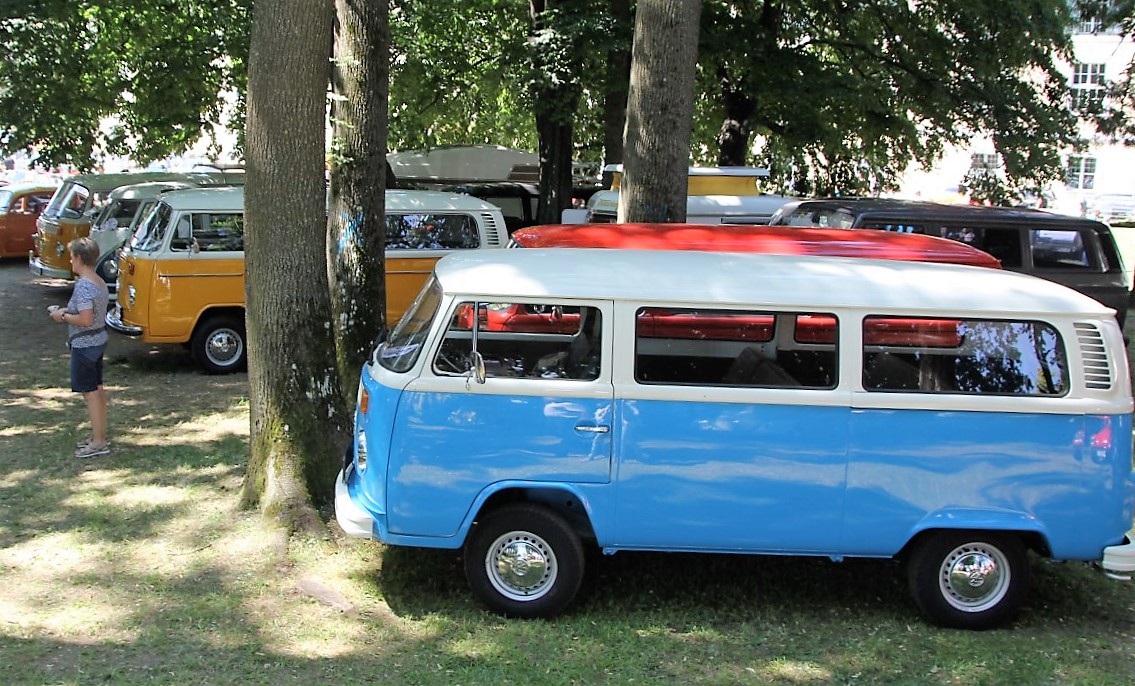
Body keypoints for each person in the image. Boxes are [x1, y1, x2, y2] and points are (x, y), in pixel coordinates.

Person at [49, 237, 110, 458]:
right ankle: (100, 435)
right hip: (98, 340)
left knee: (90, 393)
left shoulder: (84, 285)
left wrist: (62, 315)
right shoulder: (98, 281)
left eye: (71, 257)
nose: (70, 262)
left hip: (85, 344)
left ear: (78, 258)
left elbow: (85, 319)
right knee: (98, 390)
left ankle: (98, 442)